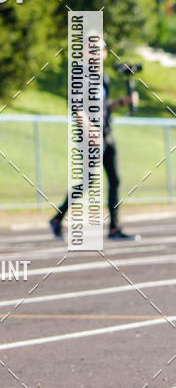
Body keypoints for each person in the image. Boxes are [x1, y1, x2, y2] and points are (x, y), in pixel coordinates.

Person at [50, 40, 138, 242]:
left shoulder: (103, 78)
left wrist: (123, 102)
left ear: (105, 53)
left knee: (115, 180)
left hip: (107, 134)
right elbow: (77, 107)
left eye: (99, 50)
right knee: (88, 182)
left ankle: (114, 228)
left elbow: (104, 106)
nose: (96, 54)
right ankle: (57, 218)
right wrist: (90, 130)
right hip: (90, 137)